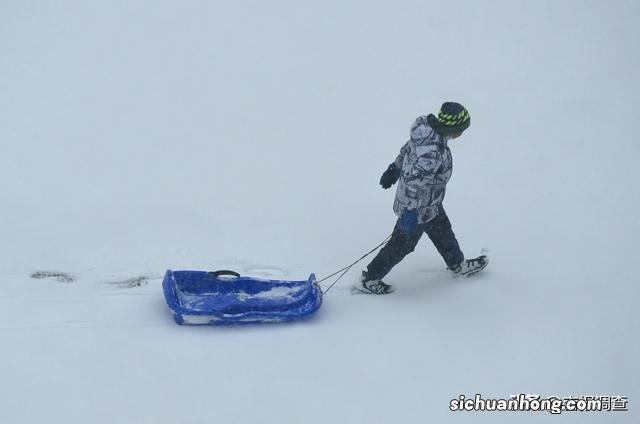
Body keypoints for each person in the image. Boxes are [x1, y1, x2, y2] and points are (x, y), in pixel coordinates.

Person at [359, 102, 488, 295]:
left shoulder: (426, 132)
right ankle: (370, 278)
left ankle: (457, 264)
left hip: (431, 203)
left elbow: (407, 149)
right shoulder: (433, 153)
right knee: (401, 245)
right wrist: (412, 212)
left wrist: (394, 167)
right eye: (461, 130)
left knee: (443, 232)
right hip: (417, 208)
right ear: (453, 129)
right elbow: (413, 181)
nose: (462, 134)